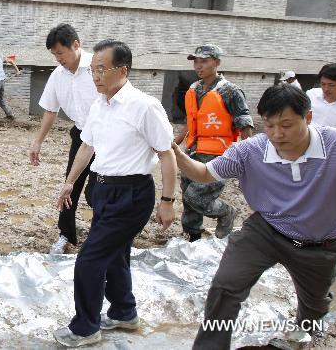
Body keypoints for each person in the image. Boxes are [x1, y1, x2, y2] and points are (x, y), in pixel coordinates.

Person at [172, 84, 336, 349]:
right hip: (266, 231)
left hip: (319, 243)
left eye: (287, 125)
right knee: (226, 285)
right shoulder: (250, 151)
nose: (277, 135)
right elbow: (203, 173)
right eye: (269, 126)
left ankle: (308, 327)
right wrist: (175, 154)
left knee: (314, 305)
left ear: (309, 118)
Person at [52, 40, 177, 347]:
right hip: (103, 188)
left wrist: (167, 201)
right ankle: (124, 312)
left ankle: (85, 327)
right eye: (93, 70)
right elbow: (87, 146)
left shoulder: (144, 106)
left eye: (101, 69)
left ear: (122, 70)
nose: (95, 76)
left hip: (133, 193)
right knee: (115, 254)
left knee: (89, 260)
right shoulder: (100, 104)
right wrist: (70, 181)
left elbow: (167, 155)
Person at [29, 24, 99, 254]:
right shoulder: (58, 76)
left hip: (108, 137)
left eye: (61, 53)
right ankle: (66, 234)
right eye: (54, 54)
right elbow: (51, 110)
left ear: (76, 45)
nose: (58, 59)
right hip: (81, 135)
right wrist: (38, 141)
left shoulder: (98, 68)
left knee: (99, 191)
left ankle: (102, 234)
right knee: (71, 185)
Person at [174, 45, 253, 242]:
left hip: (219, 154)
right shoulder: (194, 89)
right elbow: (191, 121)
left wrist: (248, 154)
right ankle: (193, 235)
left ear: (216, 62)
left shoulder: (230, 91)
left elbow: (244, 122)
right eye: (196, 62)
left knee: (196, 196)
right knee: (187, 195)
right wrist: (176, 142)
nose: (198, 66)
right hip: (193, 151)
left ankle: (226, 212)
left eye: (204, 61)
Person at [306, 63, 336, 133]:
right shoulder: (311, 94)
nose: (326, 89)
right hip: (309, 139)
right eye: (323, 84)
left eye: (331, 85)